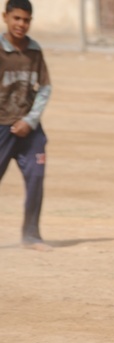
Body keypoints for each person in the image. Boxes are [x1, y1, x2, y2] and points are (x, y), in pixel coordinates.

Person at [1, 0, 51, 251]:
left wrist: (29, 121)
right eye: (17, 18)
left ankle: (31, 235)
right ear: (5, 17)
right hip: (1, 127)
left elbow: (45, 88)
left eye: (26, 20)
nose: (21, 24)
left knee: (36, 177)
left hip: (29, 129)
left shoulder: (34, 50)